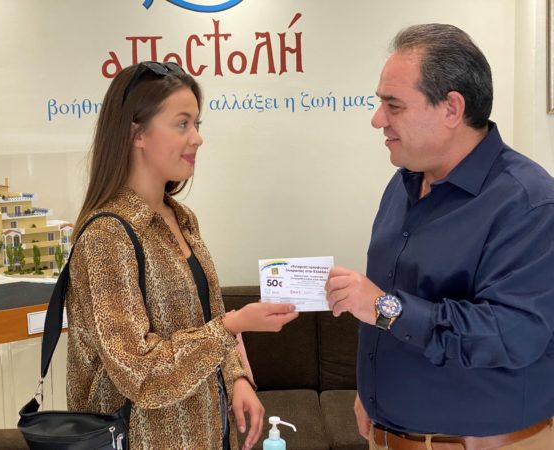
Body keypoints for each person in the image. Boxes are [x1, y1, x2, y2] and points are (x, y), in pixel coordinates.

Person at [325, 24, 554, 449]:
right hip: (388, 434)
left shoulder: (528, 202)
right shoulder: (403, 185)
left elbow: (513, 334)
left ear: (451, 108)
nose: (377, 120)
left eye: (393, 106)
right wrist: (372, 390)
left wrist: (384, 309)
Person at [65, 61, 299, 450]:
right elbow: (140, 374)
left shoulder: (182, 218)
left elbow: (208, 314)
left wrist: (237, 377)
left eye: (197, 124)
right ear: (137, 133)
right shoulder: (106, 236)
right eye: (182, 124)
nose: (197, 138)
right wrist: (232, 326)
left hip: (208, 433)